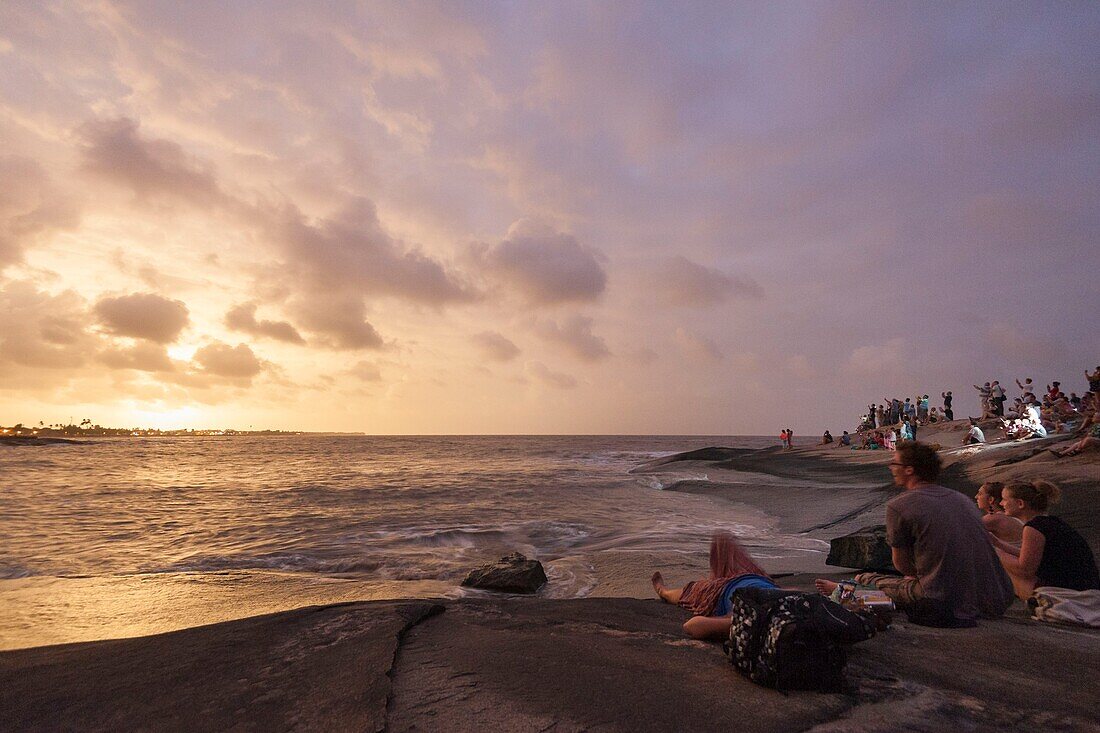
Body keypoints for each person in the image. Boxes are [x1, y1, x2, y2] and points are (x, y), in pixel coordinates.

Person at [815, 442, 1013, 624]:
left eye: (894, 463)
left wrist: (915, 576)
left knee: (866, 579)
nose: (890, 467)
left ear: (909, 470)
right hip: (996, 598)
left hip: (946, 601)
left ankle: (842, 591)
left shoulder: (900, 506)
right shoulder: (962, 499)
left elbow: (901, 564)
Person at [652, 531, 779, 639]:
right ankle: (716, 576)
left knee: (694, 590)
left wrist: (731, 627)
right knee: (723, 540)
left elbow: (691, 626)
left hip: (722, 590)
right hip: (758, 579)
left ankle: (663, 591)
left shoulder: (750, 620)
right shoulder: (792, 604)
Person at [988, 481, 1100, 600]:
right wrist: (998, 543)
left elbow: (1025, 570)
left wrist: (995, 553)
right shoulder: (1051, 522)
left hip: (1069, 595)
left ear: (1020, 503)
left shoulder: (1034, 528)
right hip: (1085, 588)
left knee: (1004, 567)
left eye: (1005, 499)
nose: (1001, 503)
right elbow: (1029, 557)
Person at [974, 481, 1023, 546]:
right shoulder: (1009, 515)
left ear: (990, 499)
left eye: (980, 494)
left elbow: (962, 533)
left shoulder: (993, 519)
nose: (976, 497)